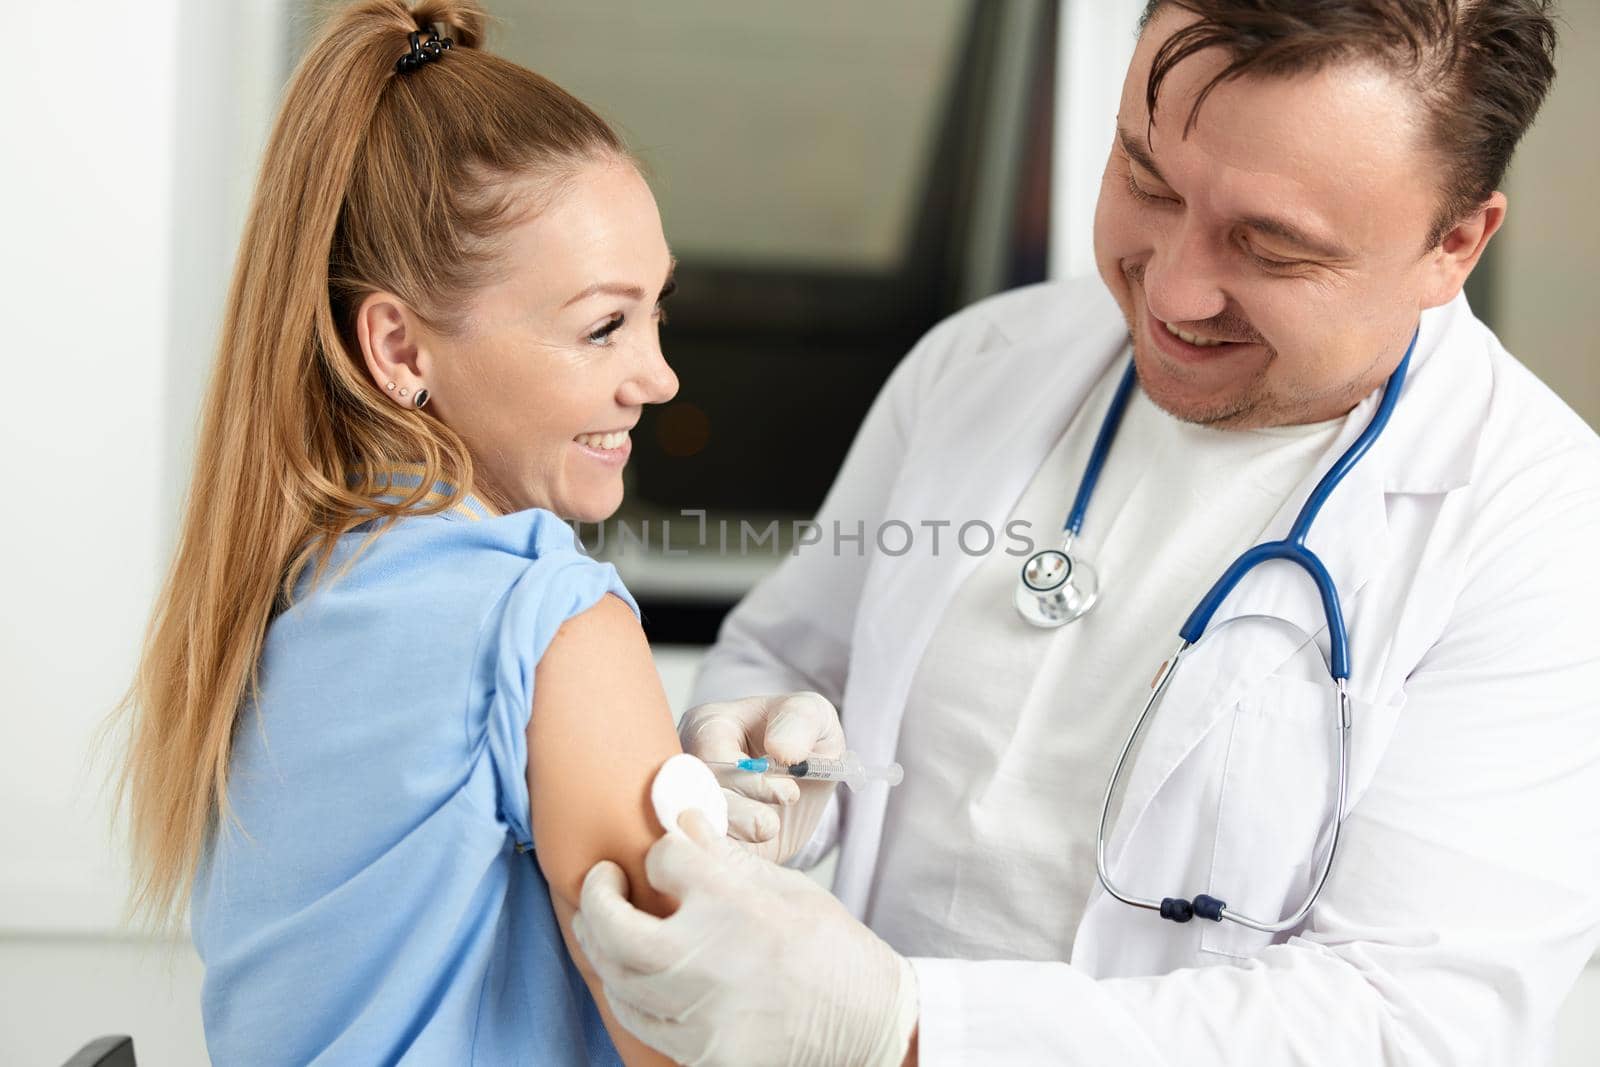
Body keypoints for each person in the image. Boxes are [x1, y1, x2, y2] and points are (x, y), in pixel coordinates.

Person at [574, 1, 1600, 1064]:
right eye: (1146, 181)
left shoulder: (1541, 537)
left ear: (1455, 243)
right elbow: (796, 656)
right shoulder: (983, 363)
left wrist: (903, 1021)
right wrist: (766, 762)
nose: (1172, 286)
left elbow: (1407, 1022)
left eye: (1271, 247)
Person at [113, 2, 687, 1063]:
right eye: (602, 324)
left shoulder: (295, 589)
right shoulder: (547, 616)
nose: (657, 376)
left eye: (657, 312)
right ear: (398, 346)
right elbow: (695, 1040)